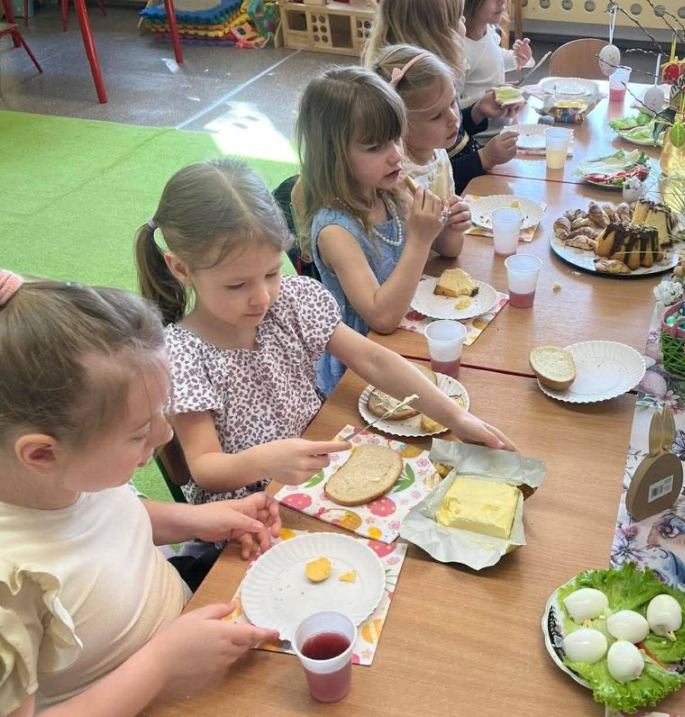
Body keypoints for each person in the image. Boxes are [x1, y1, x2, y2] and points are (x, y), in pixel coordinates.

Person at [0, 270, 280, 717]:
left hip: (175, 637)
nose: (164, 435)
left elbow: (111, 516)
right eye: (140, 432)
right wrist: (160, 665)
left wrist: (198, 519)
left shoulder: (67, 472)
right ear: (41, 453)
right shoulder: (9, 584)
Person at [137, 159, 512, 496]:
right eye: (237, 285)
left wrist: (455, 416)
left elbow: (374, 360)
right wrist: (267, 461)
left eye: (271, 273)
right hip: (249, 510)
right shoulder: (182, 355)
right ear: (181, 269)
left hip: (316, 475)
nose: (262, 297)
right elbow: (206, 468)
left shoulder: (292, 301)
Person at [294, 67, 471, 393]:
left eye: (395, 138)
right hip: (363, 368)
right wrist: (420, 241)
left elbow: (449, 250)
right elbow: (382, 318)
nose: (396, 155)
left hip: (406, 343)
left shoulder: (390, 192)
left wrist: (449, 226)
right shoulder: (335, 230)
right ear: (335, 156)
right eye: (376, 147)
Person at [362, 0, 518, 190]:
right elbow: (431, 174)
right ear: (437, 33)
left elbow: (447, 137)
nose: (465, 23)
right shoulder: (410, 93)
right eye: (459, 18)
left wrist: (476, 112)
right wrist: (484, 158)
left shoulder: (433, 84)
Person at [446, 0, 533, 108]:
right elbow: (452, 108)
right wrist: (490, 95)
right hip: (480, 125)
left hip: (499, 119)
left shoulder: (487, 31)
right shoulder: (459, 53)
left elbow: (491, 59)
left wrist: (516, 58)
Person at [368, 43, 459, 192]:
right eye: (436, 116)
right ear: (401, 124)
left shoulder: (437, 151)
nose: (454, 118)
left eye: (453, 102)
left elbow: (448, 197)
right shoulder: (396, 173)